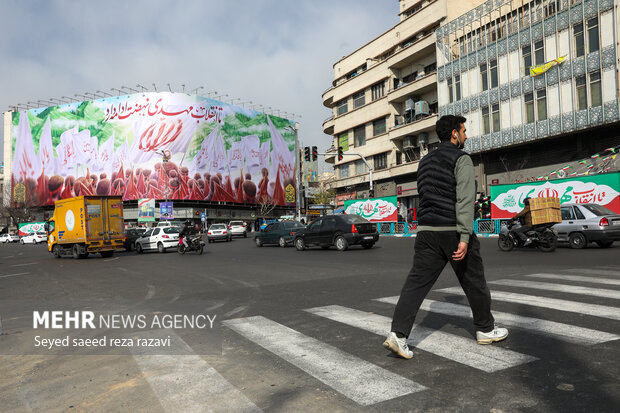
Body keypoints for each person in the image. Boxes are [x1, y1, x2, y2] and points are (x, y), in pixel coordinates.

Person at [383, 115, 508, 360]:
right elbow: (464, 199)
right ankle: (485, 329)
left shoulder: (425, 161)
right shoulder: (461, 159)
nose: (466, 135)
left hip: (427, 232)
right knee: (474, 281)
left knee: (415, 284)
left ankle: (398, 335)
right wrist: (464, 236)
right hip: (453, 230)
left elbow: (424, 195)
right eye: (463, 131)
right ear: (453, 134)